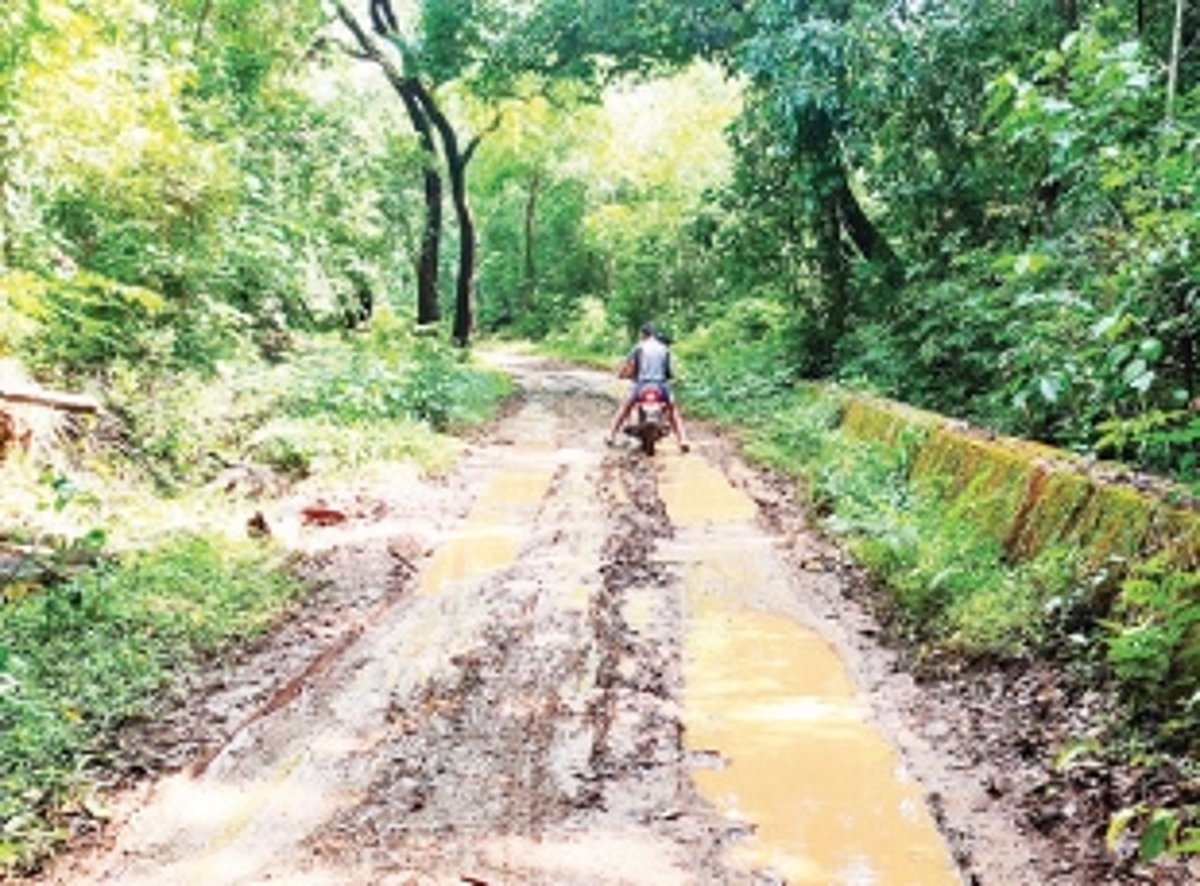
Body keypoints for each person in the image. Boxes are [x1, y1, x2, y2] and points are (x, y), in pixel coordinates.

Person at [606, 323, 690, 452]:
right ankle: (683, 440)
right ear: (654, 335)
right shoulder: (664, 349)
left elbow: (628, 369)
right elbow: (668, 373)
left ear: (643, 334)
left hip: (642, 385)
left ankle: (611, 435)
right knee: (673, 410)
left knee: (625, 407)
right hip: (660, 387)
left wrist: (622, 375)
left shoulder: (638, 347)